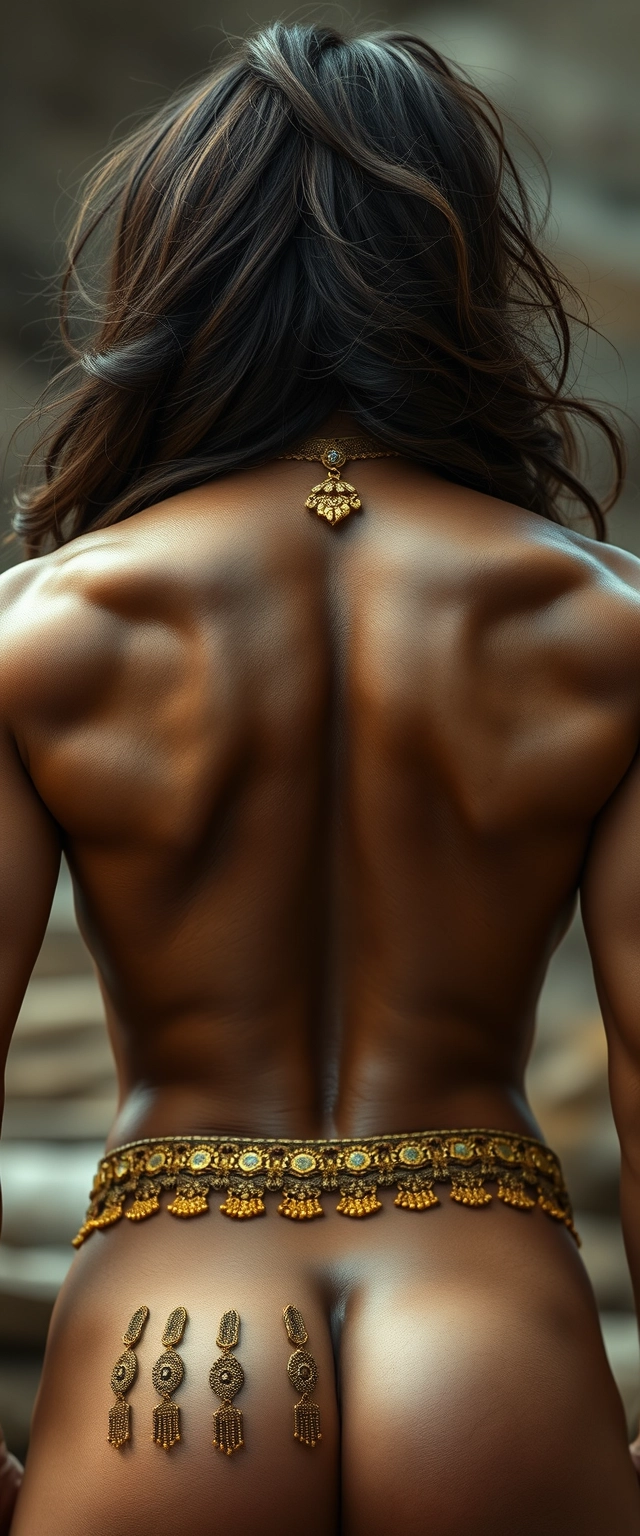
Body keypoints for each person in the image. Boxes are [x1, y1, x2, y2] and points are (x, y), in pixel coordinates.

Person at [1, 21, 640, 1534]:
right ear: (465, 284)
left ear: (178, 277)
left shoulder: (46, 629)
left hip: (170, 1344)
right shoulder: (607, 625)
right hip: (488, 1333)